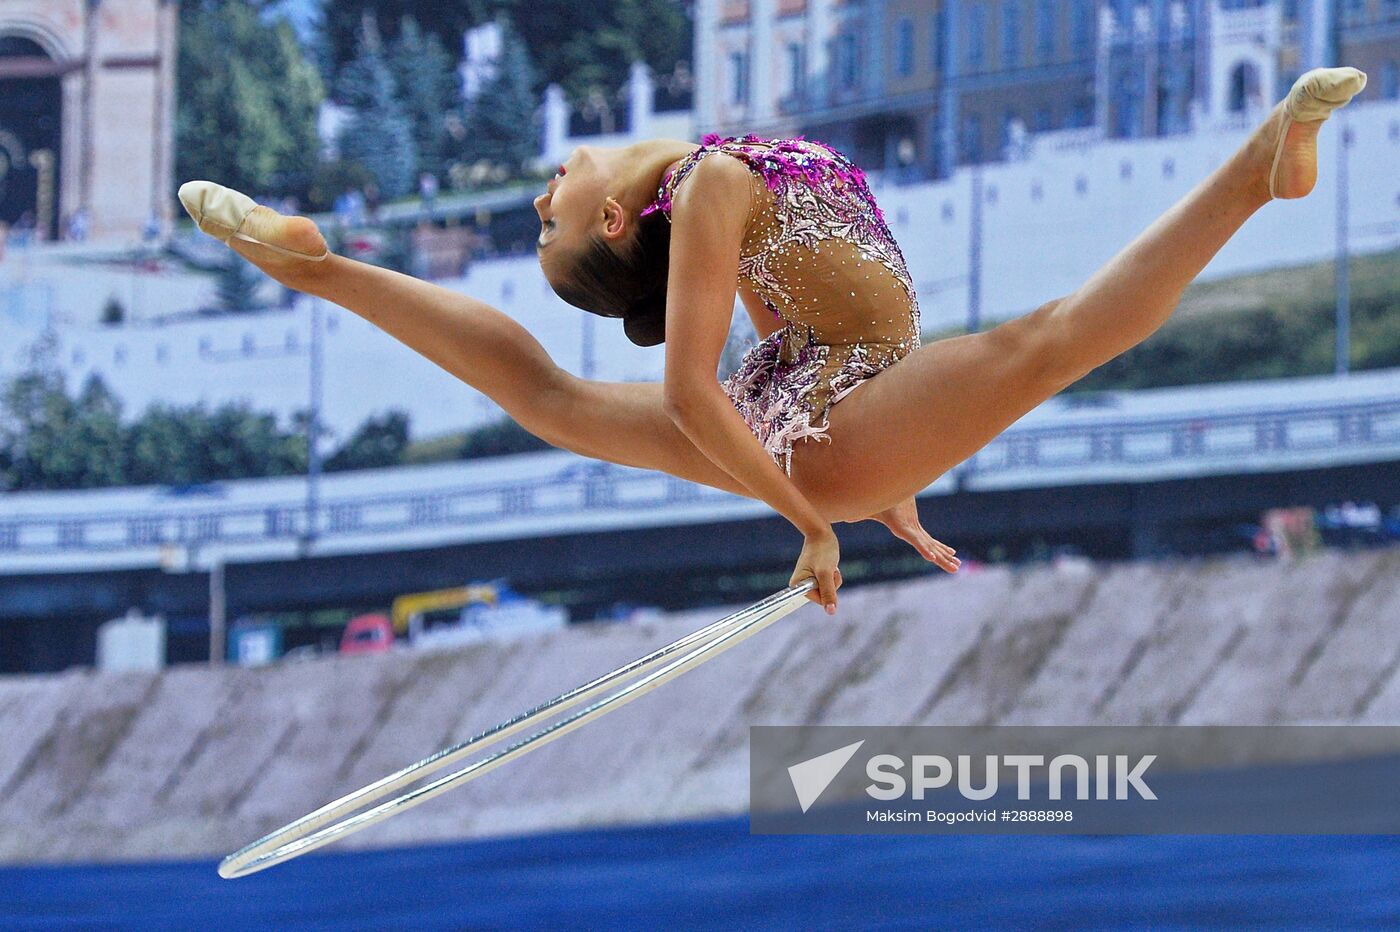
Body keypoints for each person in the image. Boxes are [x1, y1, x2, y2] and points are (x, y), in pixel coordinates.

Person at [177, 67, 1367, 615]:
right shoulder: (701, 195)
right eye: (551, 217)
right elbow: (692, 394)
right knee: (1044, 342)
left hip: (845, 405)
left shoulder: (710, 174)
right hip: (830, 432)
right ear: (609, 218)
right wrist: (814, 517)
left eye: (539, 208)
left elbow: (785, 329)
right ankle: (1256, 170)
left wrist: (890, 471)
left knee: (550, 397)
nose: (541, 197)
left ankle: (318, 267)